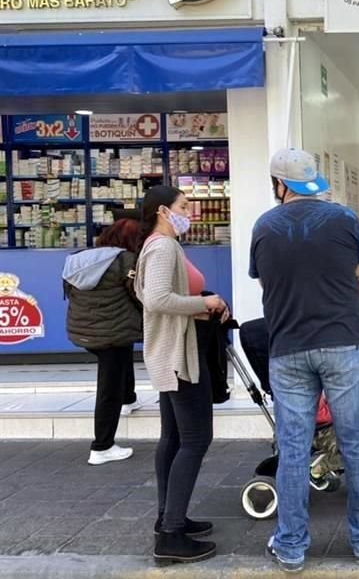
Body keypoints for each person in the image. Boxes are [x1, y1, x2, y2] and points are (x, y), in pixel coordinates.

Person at [251, 149, 359, 572]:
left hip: (288, 347)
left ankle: (291, 547)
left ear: (278, 185)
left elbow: (262, 276)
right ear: (312, 181)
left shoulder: (263, 226)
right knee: (355, 443)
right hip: (343, 342)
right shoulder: (344, 218)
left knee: (293, 449)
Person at [136, 186, 229, 565]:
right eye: (183, 206)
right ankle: (172, 534)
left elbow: (155, 298)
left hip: (170, 352)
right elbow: (157, 299)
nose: (189, 211)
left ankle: (169, 518)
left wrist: (194, 308)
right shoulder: (163, 247)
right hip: (179, 355)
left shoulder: (156, 244)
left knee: (173, 438)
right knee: (195, 439)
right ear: (163, 210)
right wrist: (203, 302)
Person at [62, 218, 142, 466]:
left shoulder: (78, 258)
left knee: (119, 360)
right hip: (111, 333)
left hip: (83, 331)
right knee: (109, 387)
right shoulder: (125, 260)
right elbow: (138, 294)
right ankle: (102, 446)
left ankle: (129, 399)